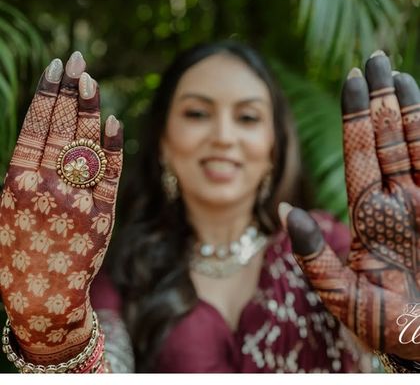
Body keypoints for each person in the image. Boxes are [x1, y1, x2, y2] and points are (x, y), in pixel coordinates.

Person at [0, 42, 419, 373]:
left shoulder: (331, 250)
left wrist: (412, 338)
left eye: (248, 118)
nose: (223, 136)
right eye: (198, 113)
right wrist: (57, 343)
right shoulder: (125, 272)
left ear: (274, 147)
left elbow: (385, 339)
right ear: (164, 141)